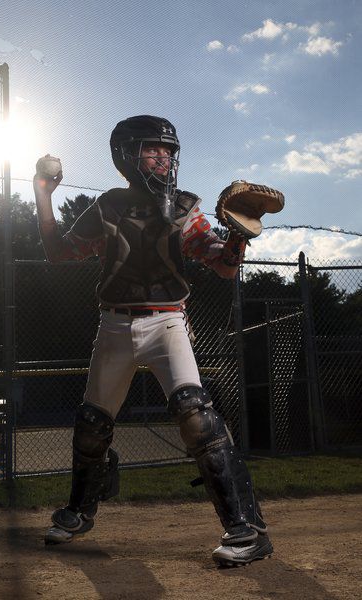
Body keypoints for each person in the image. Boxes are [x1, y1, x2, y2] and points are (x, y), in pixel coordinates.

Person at [33, 115, 273, 566]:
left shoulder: (185, 207)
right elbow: (58, 252)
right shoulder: (108, 206)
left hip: (167, 324)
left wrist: (238, 237)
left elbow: (222, 265)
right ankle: (78, 512)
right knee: (91, 424)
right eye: (151, 149)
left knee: (195, 416)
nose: (163, 157)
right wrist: (43, 193)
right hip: (114, 325)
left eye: (168, 150)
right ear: (125, 155)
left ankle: (247, 529)